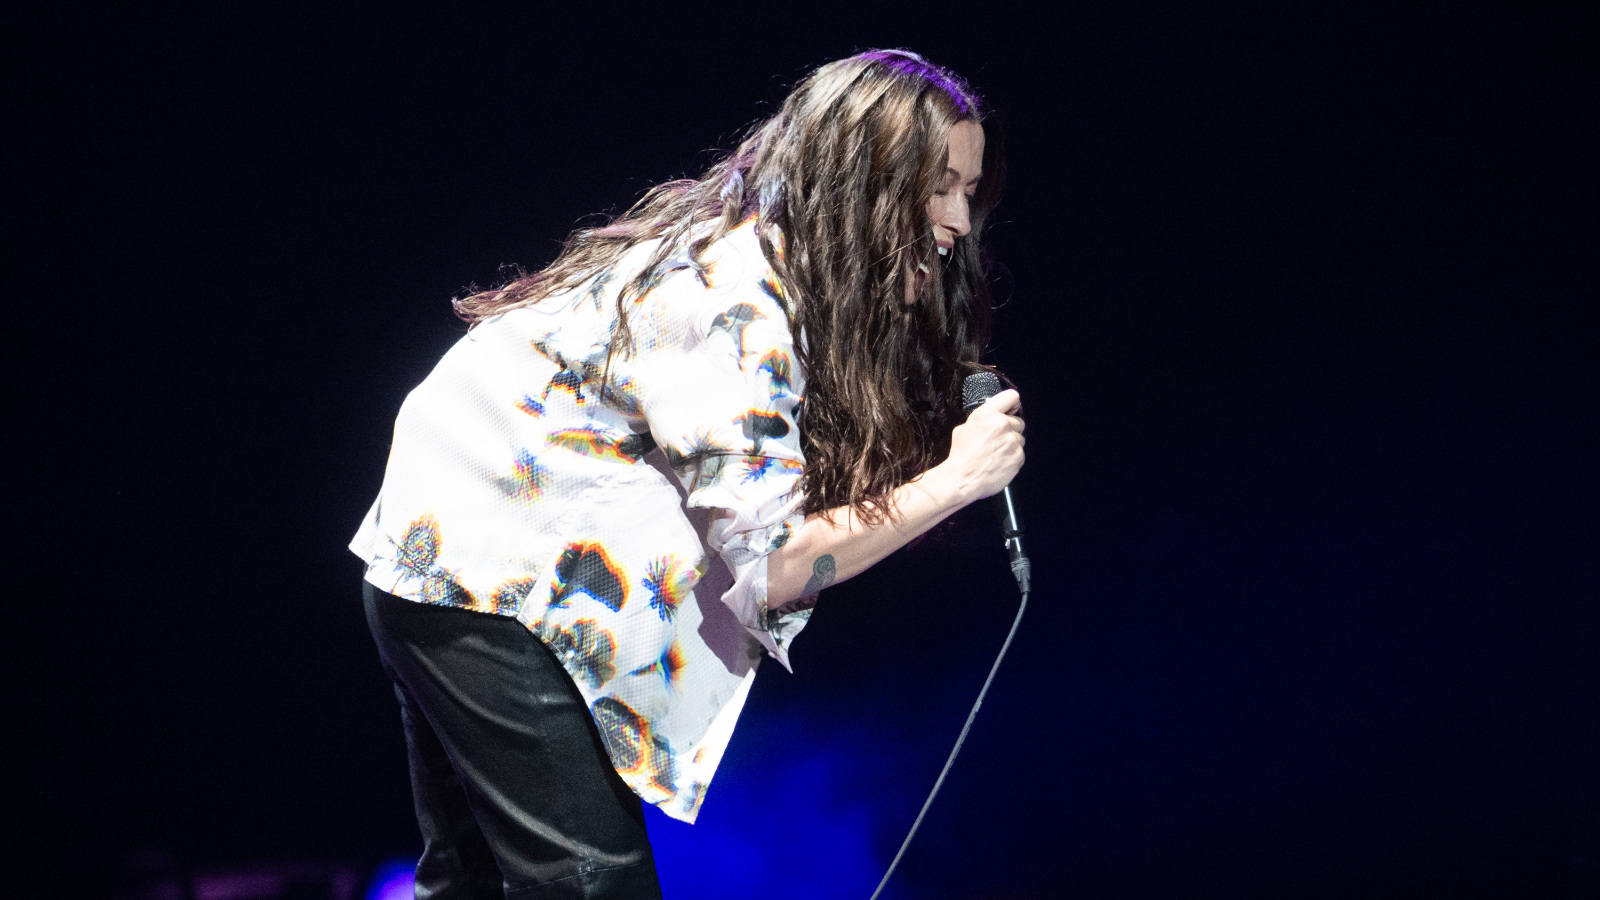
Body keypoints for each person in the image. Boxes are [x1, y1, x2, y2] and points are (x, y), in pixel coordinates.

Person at [352, 49, 1024, 898]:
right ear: (867, 182)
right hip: (481, 581)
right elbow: (774, 567)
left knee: (476, 884)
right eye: (939, 188)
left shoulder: (768, 268)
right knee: (594, 883)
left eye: (969, 191)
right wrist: (956, 481)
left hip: (454, 565)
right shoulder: (735, 304)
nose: (959, 221)